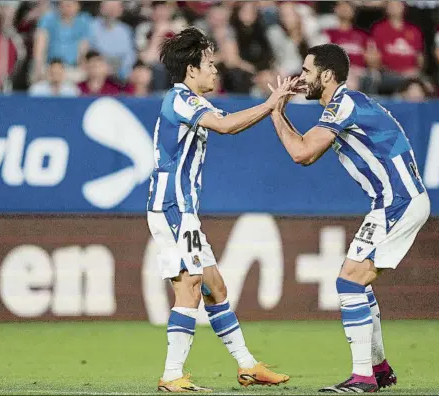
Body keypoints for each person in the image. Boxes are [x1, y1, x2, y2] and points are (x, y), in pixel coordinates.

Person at [268, 43, 430, 393]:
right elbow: (306, 152)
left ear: (327, 75)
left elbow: (301, 153)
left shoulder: (343, 104)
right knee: (357, 282)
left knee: (349, 283)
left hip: (396, 202)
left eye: (307, 71)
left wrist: (275, 111)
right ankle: (379, 369)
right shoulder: (350, 103)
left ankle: (363, 378)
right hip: (396, 200)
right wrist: (281, 111)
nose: (302, 78)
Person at [147, 26, 290, 392]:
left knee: (214, 287)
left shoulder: (196, 103)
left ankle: (247, 366)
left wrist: (270, 105)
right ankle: (172, 375)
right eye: (209, 64)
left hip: (185, 209)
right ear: (191, 70)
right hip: (172, 206)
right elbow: (227, 127)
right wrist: (269, 104)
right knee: (190, 287)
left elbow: (230, 121)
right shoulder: (180, 99)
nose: (215, 70)